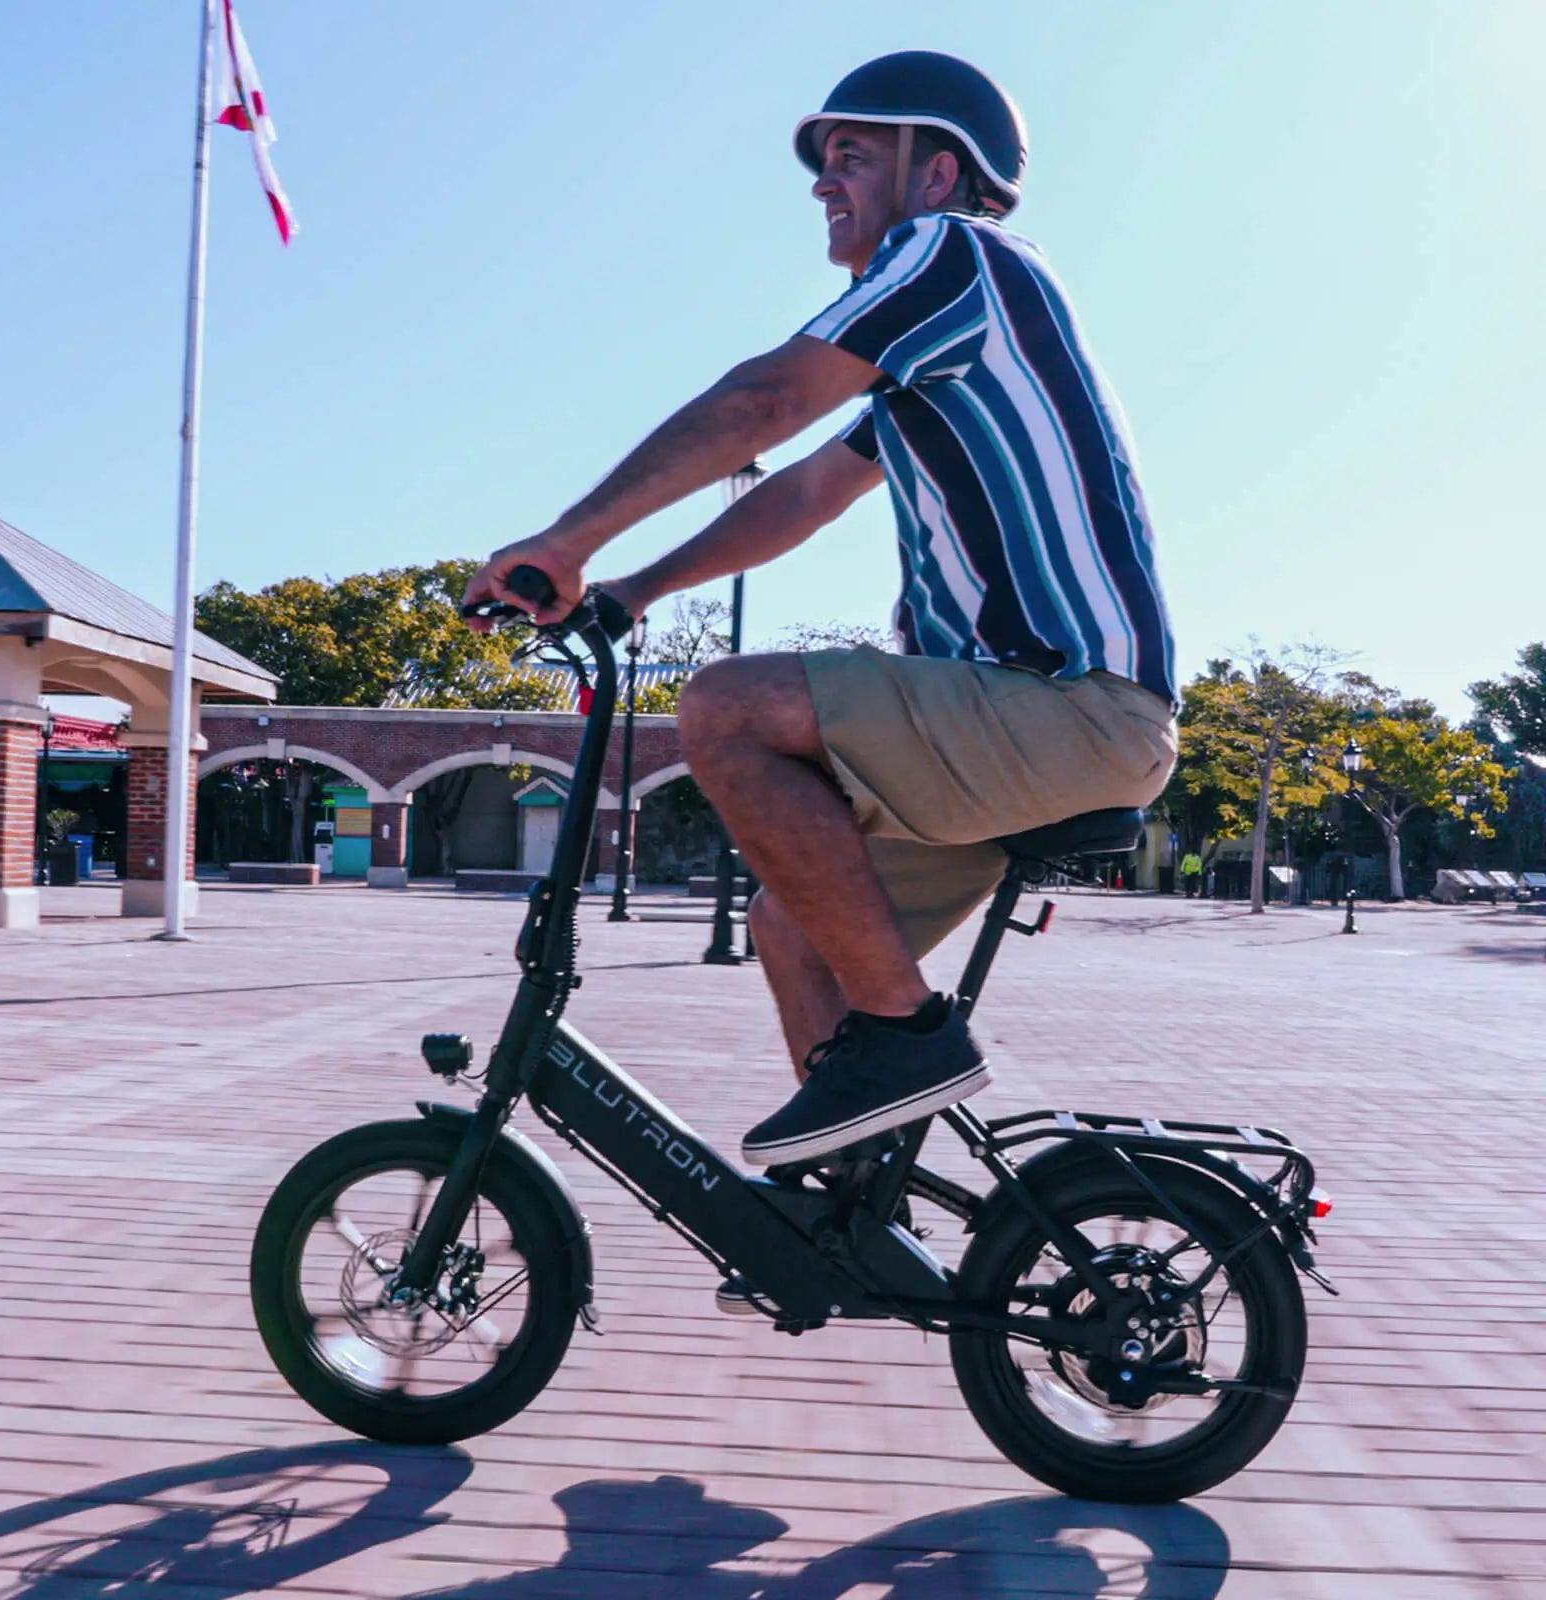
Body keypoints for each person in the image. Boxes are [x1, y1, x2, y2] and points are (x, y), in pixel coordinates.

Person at [465, 51, 1178, 1182]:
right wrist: (631, 588)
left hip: (1066, 709)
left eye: (852, 156)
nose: (821, 182)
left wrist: (568, 538)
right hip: (1029, 727)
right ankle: (858, 1206)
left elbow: (765, 401)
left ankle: (904, 1037)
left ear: (935, 173)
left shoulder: (953, 256)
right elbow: (798, 492)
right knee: (794, 924)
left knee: (729, 706)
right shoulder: (929, 356)